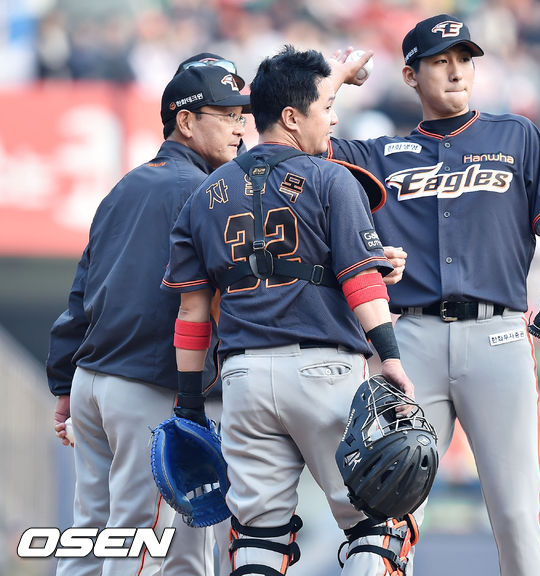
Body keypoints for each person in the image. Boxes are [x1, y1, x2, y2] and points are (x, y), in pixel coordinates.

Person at [325, 14, 540, 576]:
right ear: (411, 75)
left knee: (516, 513)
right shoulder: (379, 154)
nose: (456, 71)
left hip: (498, 337)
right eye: (440, 61)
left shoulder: (516, 136)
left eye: (464, 59)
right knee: (391, 510)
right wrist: (335, 79)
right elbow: (299, 139)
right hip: (410, 342)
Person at [161, 45, 418, 576]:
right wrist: (390, 358)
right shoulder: (332, 178)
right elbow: (361, 281)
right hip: (325, 371)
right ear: (292, 117)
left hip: (244, 380)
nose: (334, 118)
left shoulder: (205, 193)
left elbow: (191, 313)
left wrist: (188, 404)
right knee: (378, 524)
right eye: (327, 106)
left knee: (259, 535)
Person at [46, 61, 250, 576]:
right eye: (225, 115)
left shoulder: (126, 185)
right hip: (151, 388)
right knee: (145, 545)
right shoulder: (208, 191)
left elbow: (81, 290)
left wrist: (65, 383)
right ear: (186, 121)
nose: (239, 127)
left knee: (91, 538)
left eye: (241, 115)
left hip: (93, 385)